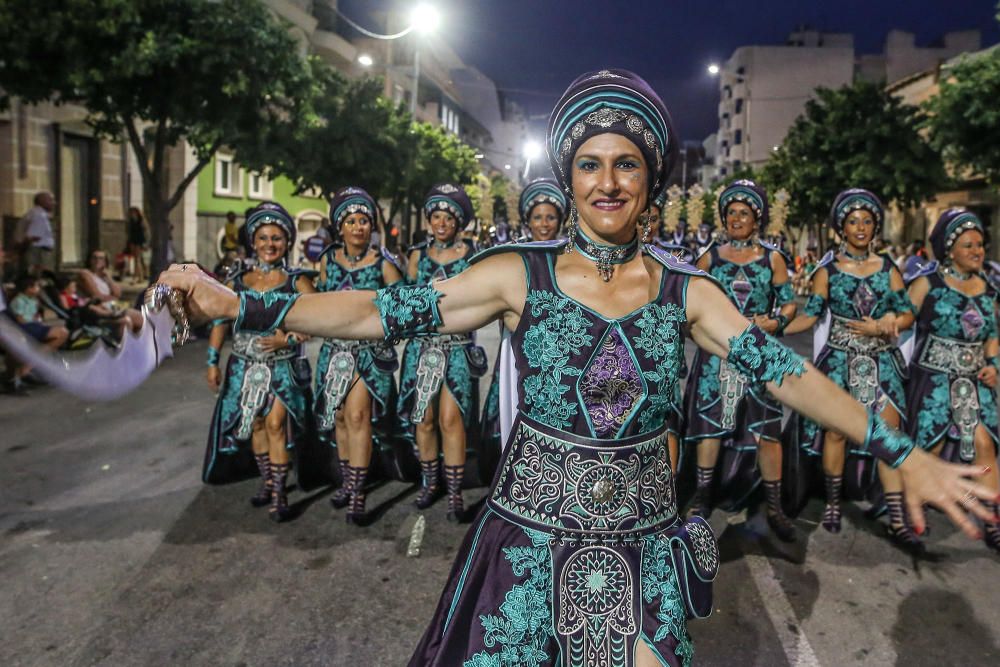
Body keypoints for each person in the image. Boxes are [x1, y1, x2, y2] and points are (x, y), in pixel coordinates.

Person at [157, 69, 997, 667]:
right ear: (568, 175)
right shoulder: (517, 272)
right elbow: (381, 311)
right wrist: (242, 303)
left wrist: (900, 448)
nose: (607, 180)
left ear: (652, 179)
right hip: (529, 539)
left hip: (638, 540)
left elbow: (782, 367)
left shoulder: (686, 288)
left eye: (626, 162)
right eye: (589, 163)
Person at [784, 189, 921, 551]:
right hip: (839, 360)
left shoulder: (889, 269)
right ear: (841, 229)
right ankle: (832, 504)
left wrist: (886, 323)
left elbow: (908, 314)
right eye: (853, 222)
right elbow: (812, 314)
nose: (860, 227)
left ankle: (895, 518)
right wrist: (773, 329)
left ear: (875, 227)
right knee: (836, 433)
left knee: (889, 434)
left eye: (867, 221)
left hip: (881, 362)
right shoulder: (826, 271)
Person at [684, 179, 799, 542]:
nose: (736, 219)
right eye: (731, 213)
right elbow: (690, 296)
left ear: (757, 218)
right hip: (718, 353)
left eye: (744, 213)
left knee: (767, 430)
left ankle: (774, 504)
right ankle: (702, 497)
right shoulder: (709, 257)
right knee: (710, 426)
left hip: (761, 355)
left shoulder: (772, 258)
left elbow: (790, 302)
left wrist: (776, 321)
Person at [203, 202, 320, 522]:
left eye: (277, 238)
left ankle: (280, 492)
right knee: (255, 424)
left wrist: (289, 339)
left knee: (275, 424)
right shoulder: (236, 281)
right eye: (264, 238)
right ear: (253, 242)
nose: (270, 244)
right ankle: (268, 481)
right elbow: (219, 322)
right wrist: (213, 361)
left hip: (282, 367)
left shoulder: (297, 281)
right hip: (243, 365)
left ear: (287, 243)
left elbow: (317, 322)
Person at [905, 208, 1000, 553]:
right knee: (926, 447)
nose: (978, 251)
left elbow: (992, 336)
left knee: (985, 445)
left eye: (980, 245)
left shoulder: (990, 289)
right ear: (949, 250)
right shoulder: (928, 283)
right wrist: (880, 324)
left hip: (974, 381)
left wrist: (995, 365)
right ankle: (912, 517)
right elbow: (903, 316)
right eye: (969, 245)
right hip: (934, 378)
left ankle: (992, 516)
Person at [313, 187, 405, 524]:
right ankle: (347, 478)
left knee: (358, 417)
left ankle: (357, 489)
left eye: (363, 220)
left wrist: (380, 329)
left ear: (371, 225)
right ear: (340, 226)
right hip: (334, 352)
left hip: (367, 355)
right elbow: (319, 302)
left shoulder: (385, 263)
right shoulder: (326, 261)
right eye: (350, 221)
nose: (357, 227)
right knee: (339, 418)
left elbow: (401, 310)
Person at [398, 184, 485, 522]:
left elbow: (481, 300)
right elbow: (405, 298)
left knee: (452, 419)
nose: (441, 223)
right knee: (425, 417)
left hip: (458, 348)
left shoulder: (472, 255)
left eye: (448, 217)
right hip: (422, 350)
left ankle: (453, 492)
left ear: (458, 221)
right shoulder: (417, 256)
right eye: (436, 217)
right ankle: (429, 483)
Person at [479, 178, 567, 470]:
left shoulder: (570, 257)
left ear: (561, 220)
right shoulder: (512, 257)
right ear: (528, 220)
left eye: (551, 217)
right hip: (517, 349)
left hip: (560, 355)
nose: (544, 224)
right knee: (513, 417)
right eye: (538, 217)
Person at [5, 275, 68, 393]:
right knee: (61, 333)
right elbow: (20, 319)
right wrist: (34, 323)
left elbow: (33, 315)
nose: (39, 289)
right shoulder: (18, 300)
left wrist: (37, 316)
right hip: (25, 327)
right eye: (36, 286)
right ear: (28, 288)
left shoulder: (33, 300)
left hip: (33, 325)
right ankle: (27, 368)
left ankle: (29, 367)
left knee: (62, 332)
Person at [77, 249, 143, 335]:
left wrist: (109, 278)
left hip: (110, 306)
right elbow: (97, 295)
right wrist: (113, 299)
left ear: (105, 262)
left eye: (101, 258)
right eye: (94, 258)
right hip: (95, 307)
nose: (97, 261)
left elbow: (118, 293)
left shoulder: (104, 276)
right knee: (137, 317)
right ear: (90, 260)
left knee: (131, 320)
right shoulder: (85, 274)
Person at [16, 192, 56, 277]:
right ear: (42, 201)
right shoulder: (39, 216)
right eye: (50, 200)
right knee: (37, 278)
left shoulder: (35, 213)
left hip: (36, 251)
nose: (54, 203)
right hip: (38, 253)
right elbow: (32, 237)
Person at [125, 207, 148, 283]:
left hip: (139, 241)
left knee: (137, 259)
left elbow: (145, 232)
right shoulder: (131, 221)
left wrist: (145, 243)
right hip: (133, 241)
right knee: (136, 259)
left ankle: (138, 277)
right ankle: (139, 276)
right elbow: (129, 232)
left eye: (133, 213)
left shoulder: (141, 221)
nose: (132, 214)